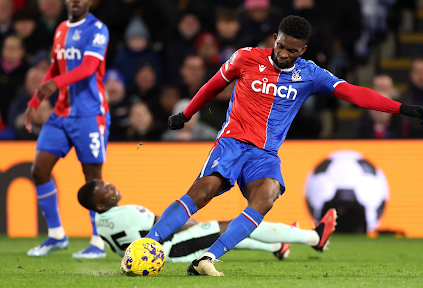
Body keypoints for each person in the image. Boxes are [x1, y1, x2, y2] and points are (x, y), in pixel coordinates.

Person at [146, 15, 423, 277]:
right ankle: (146, 245)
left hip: (265, 154)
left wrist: (401, 108)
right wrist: (185, 114)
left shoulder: (311, 74)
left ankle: (207, 259)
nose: (284, 54)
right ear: (274, 38)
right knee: (204, 191)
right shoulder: (245, 58)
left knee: (266, 197)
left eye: (292, 51)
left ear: (303, 50)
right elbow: (213, 85)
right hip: (232, 142)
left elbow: (354, 93)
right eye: (281, 46)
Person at [23, 0, 110, 259]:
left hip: (89, 114)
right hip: (61, 114)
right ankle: (56, 235)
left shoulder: (98, 29)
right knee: (39, 170)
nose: (75, 1)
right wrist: (36, 100)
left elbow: (87, 68)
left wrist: (54, 84)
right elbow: (55, 67)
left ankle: (98, 241)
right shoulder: (60, 28)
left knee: (93, 178)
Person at [77, 179, 335, 262]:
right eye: (104, 189)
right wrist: (198, 225)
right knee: (238, 225)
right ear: (99, 204)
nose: (110, 186)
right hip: (171, 251)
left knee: (223, 235)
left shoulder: (100, 223)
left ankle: (276, 246)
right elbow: (169, 223)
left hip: (162, 255)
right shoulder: (128, 212)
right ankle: (314, 238)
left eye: (105, 182)